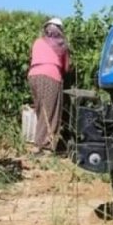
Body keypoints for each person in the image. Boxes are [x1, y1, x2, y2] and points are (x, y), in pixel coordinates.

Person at [27, 17, 71, 154]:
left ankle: (38, 144)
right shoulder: (61, 44)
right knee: (51, 112)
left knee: (41, 110)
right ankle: (44, 147)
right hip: (51, 76)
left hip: (33, 75)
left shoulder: (38, 42)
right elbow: (67, 67)